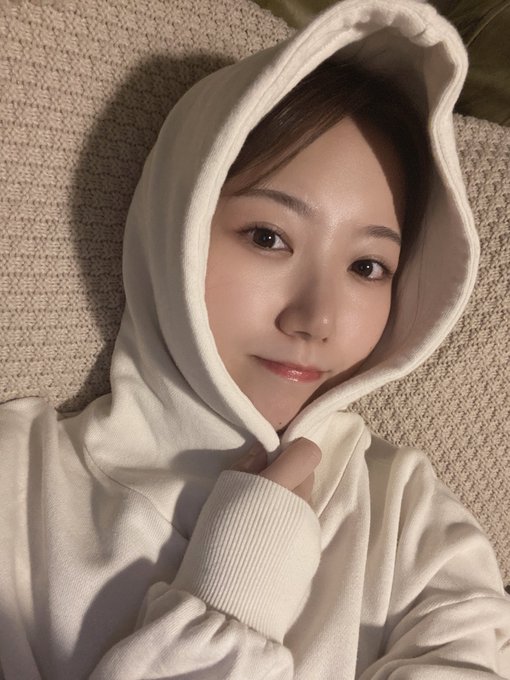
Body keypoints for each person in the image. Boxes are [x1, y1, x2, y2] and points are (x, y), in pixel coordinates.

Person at [0, 0, 509, 678]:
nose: (317, 318)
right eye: (268, 237)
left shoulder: (411, 519)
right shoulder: (18, 485)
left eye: (367, 267)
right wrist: (231, 602)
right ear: (173, 228)